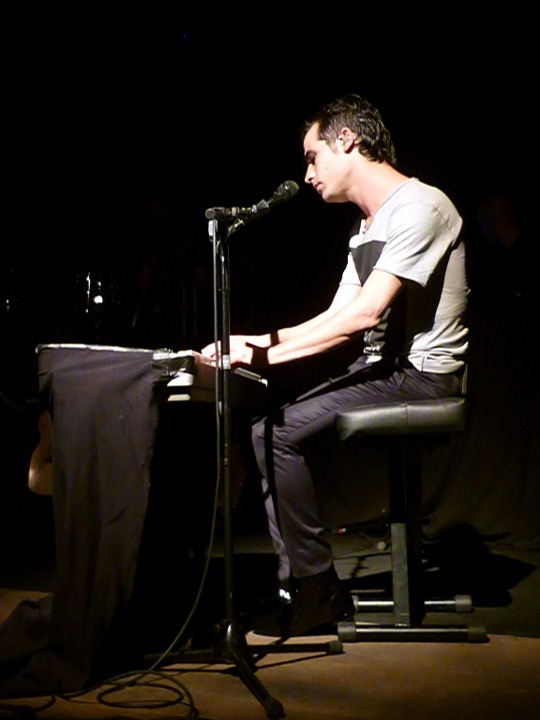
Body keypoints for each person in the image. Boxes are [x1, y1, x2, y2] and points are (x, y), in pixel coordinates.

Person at [201, 93, 468, 637]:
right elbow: (334, 316)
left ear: (346, 140)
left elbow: (364, 315)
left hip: (424, 376)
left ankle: (317, 589)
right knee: (266, 429)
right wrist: (250, 342)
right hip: (385, 369)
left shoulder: (422, 206)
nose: (307, 174)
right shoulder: (365, 229)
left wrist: (264, 355)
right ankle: (302, 584)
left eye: (312, 156)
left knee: (274, 434)